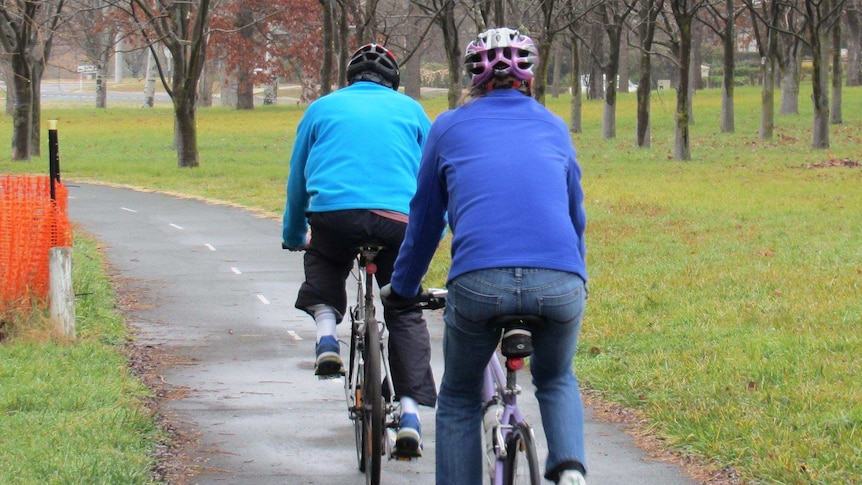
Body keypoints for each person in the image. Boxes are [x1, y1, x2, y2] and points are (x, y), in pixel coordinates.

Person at [382, 28, 589, 484]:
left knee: (457, 395)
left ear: (474, 79)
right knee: (555, 379)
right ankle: (571, 470)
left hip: (480, 282)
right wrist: (578, 279)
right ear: (529, 78)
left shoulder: (449, 126)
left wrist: (402, 288)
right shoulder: (554, 125)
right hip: (560, 281)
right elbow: (576, 216)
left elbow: (425, 220)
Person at [281, 43, 437, 457]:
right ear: (393, 81)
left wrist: (296, 233)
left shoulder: (320, 108)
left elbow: (298, 178)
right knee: (403, 307)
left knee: (325, 259)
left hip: (334, 216)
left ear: (350, 79)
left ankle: (328, 338)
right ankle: (409, 416)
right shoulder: (413, 111)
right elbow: (430, 177)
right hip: (396, 220)